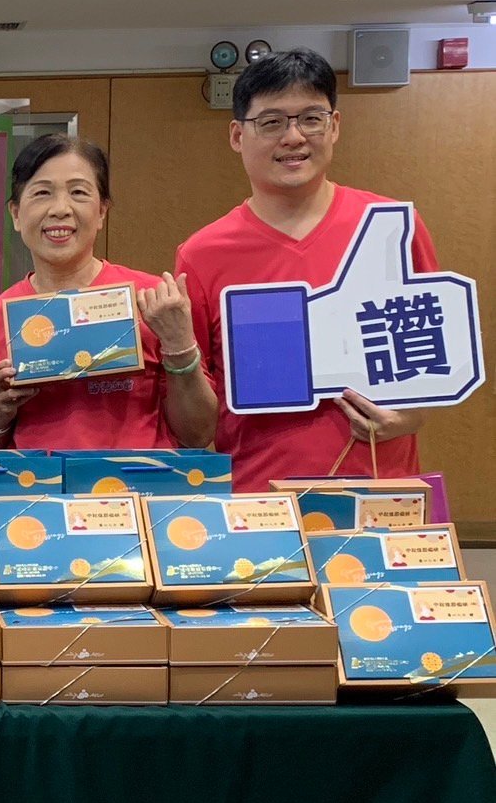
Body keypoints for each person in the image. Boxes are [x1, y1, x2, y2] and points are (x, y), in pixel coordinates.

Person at [176, 48, 438, 490]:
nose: (294, 137)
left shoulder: (392, 227)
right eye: (272, 122)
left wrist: (412, 415)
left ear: (334, 126)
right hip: (259, 499)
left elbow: (433, 356)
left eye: (311, 119)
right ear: (237, 135)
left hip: (380, 492)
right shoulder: (202, 254)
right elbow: (199, 400)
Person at [0, 134, 217, 451]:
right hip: (37, 483)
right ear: (15, 214)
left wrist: (179, 346)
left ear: (101, 212)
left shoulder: (152, 301)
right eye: (42, 193)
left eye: (78, 192)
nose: (60, 209)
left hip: (142, 482)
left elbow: (199, 434)